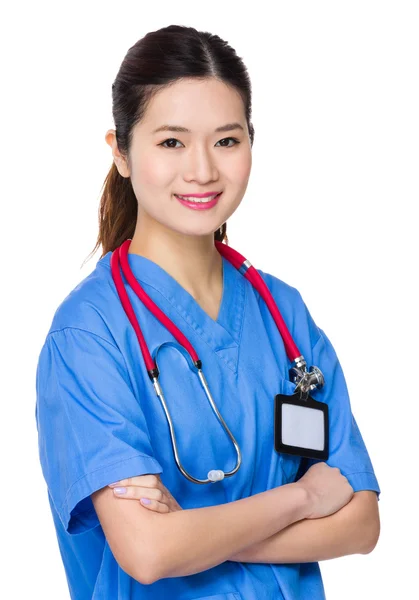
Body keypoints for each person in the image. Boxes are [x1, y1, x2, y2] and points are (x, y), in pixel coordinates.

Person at [35, 24, 381, 600]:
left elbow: (362, 523)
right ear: (120, 151)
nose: (202, 170)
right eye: (171, 142)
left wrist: (195, 533)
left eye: (226, 140)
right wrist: (302, 499)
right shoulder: (89, 335)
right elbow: (148, 553)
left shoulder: (282, 311)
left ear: (251, 141)